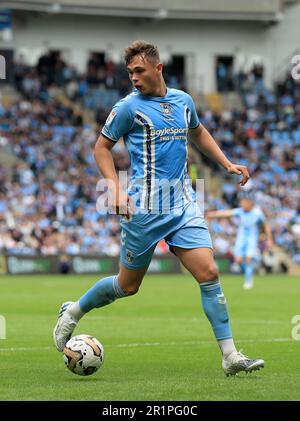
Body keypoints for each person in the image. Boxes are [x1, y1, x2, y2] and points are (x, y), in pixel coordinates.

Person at [53, 41, 264, 376]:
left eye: (139, 71)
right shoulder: (127, 108)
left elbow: (198, 131)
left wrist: (226, 162)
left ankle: (230, 356)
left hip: (182, 204)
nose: (134, 77)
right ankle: (73, 311)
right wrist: (116, 189)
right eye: (130, 72)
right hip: (145, 209)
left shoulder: (183, 101)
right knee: (128, 286)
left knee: (208, 273)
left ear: (158, 68)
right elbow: (101, 148)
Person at [207, 196, 274, 289]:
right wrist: (211, 214)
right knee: (238, 260)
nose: (242, 204)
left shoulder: (257, 213)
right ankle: (250, 268)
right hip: (241, 238)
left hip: (252, 238)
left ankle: (248, 280)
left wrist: (269, 239)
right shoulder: (240, 211)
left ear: (250, 203)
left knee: (248, 259)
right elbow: (226, 213)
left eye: (243, 202)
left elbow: (266, 224)